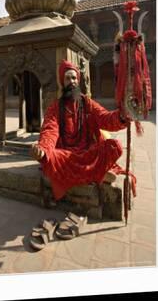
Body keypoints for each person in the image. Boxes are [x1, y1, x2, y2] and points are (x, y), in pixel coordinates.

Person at [29, 60, 135, 247]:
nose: (72, 81)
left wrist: (122, 115)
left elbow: (105, 118)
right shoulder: (55, 107)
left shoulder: (88, 104)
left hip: (87, 153)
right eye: (68, 78)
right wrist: (43, 149)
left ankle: (96, 172)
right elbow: (50, 130)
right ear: (63, 82)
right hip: (68, 155)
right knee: (51, 157)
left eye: (75, 78)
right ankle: (98, 174)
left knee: (114, 146)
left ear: (79, 81)